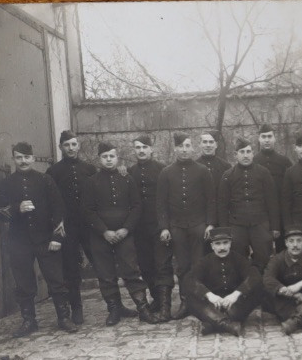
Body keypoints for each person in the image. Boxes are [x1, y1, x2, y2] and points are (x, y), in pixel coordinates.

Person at [0, 141, 72, 335]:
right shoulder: (6, 183)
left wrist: (57, 238)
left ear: (33, 159)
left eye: (27, 157)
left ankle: (64, 318)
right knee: (23, 283)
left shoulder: (46, 181)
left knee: (56, 280)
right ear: (14, 159)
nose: (23, 161)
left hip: (46, 239)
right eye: (19, 157)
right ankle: (29, 321)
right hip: (19, 242)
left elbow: (59, 210)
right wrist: (16, 208)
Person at [83, 141, 158, 325]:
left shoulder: (127, 179)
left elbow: (136, 206)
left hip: (125, 234)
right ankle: (114, 310)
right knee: (106, 274)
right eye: (105, 157)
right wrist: (104, 231)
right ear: (99, 159)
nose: (109, 160)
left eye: (112, 156)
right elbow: (87, 210)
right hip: (101, 236)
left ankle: (143, 308)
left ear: (117, 158)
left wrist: (126, 229)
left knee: (131, 270)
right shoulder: (92, 182)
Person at [156, 133, 217, 319]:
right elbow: (161, 203)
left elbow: (211, 200)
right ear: (175, 149)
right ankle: (185, 301)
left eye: (187, 146)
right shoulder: (166, 172)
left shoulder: (203, 170)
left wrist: (210, 224)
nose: (184, 149)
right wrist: (165, 227)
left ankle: (199, 301)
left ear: (193, 148)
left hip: (198, 225)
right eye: (181, 146)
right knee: (182, 266)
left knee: (198, 264)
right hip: (177, 227)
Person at [47, 130, 97, 325]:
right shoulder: (53, 172)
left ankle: (115, 305)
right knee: (70, 269)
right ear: (61, 147)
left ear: (79, 146)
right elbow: (50, 201)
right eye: (67, 145)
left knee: (101, 263)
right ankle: (76, 308)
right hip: (67, 227)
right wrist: (57, 224)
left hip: (89, 225)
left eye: (74, 144)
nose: (71, 148)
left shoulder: (89, 169)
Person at [180, 227, 260, 337]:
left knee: (257, 291)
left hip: (233, 305)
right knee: (190, 297)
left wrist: (236, 294)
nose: (222, 247)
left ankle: (212, 323)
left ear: (230, 244)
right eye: (217, 244)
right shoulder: (205, 261)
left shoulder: (239, 259)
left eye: (225, 243)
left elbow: (254, 275)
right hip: (213, 305)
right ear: (212, 246)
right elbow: (188, 279)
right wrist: (209, 295)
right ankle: (227, 325)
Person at [127, 134, 173, 320]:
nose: (141, 150)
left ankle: (165, 307)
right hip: (139, 228)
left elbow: (168, 200)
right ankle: (156, 299)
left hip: (159, 226)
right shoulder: (130, 172)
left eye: (145, 147)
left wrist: (165, 226)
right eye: (138, 147)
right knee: (145, 266)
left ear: (151, 149)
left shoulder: (163, 170)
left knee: (162, 264)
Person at [219, 138, 280, 269]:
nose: (245, 155)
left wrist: (275, 226)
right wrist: (225, 229)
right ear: (236, 155)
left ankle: (262, 288)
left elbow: (272, 201)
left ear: (253, 153)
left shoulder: (263, 173)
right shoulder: (228, 175)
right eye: (242, 152)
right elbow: (223, 205)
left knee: (264, 259)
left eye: (248, 151)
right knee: (238, 260)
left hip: (260, 224)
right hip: (237, 226)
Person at [262, 225, 302, 335]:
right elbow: (267, 278)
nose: (295, 245)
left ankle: (295, 321)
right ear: (286, 243)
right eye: (291, 241)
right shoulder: (277, 259)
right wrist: (290, 293)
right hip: (286, 299)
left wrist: (300, 285)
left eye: (299, 241)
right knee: (269, 293)